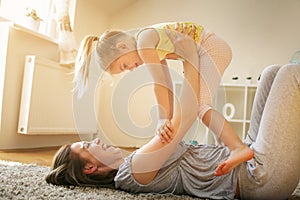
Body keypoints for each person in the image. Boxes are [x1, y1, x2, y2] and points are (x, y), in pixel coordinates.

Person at [46, 64, 300, 199]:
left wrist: (159, 60)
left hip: (249, 156)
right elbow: (186, 114)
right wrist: (190, 55)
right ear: (90, 168)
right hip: (258, 180)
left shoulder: (137, 160)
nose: (96, 140)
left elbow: (168, 107)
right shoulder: (132, 172)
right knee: (292, 75)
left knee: (272, 73)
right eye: (88, 147)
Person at [73, 21, 253, 176]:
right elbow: (167, 81)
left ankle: (237, 147)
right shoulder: (150, 44)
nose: (131, 69)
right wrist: (170, 118)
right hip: (211, 47)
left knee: (200, 106)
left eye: (125, 65)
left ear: (122, 47)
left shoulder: (144, 43)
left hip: (211, 48)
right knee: (202, 103)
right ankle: (224, 146)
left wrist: (162, 119)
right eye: (126, 70)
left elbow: (158, 82)